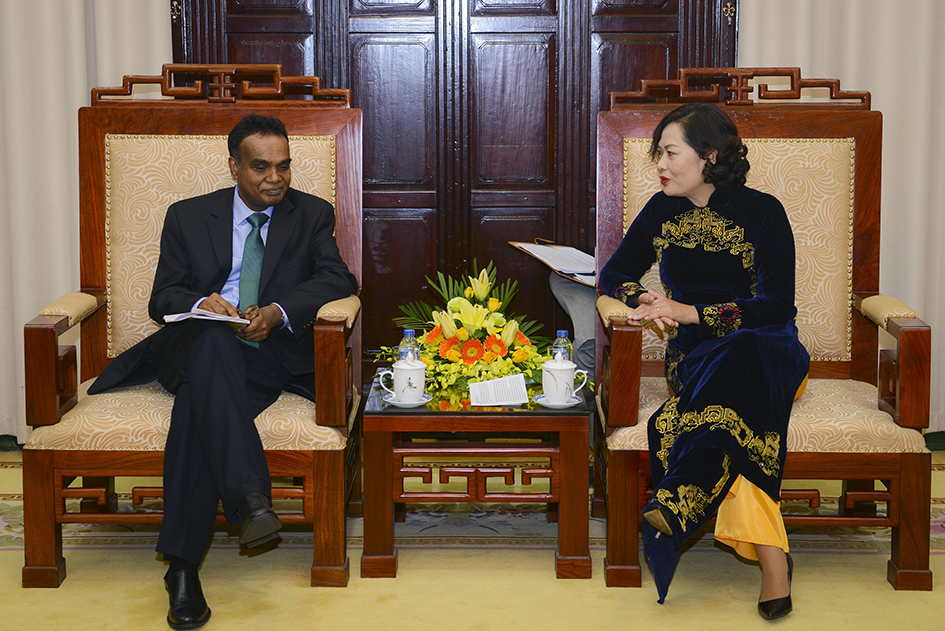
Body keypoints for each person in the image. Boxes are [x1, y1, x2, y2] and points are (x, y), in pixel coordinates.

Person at [88, 114, 359, 630]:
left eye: (283, 166)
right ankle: (248, 496)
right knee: (212, 339)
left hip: (264, 354)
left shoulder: (311, 214)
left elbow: (337, 277)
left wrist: (276, 312)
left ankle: (182, 568)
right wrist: (201, 304)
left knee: (198, 409)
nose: (275, 178)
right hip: (192, 346)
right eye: (260, 167)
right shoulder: (188, 215)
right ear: (234, 166)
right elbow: (162, 297)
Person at [599, 103, 809, 619]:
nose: (660, 165)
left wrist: (689, 312)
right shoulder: (661, 210)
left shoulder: (764, 212)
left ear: (709, 155)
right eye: (658, 154)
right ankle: (772, 562)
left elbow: (777, 305)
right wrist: (644, 299)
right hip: (695, 360)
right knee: (737, 416)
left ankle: (684, 495)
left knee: (742, 362)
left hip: (770, 351)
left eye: (670, 153)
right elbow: (614, 275)